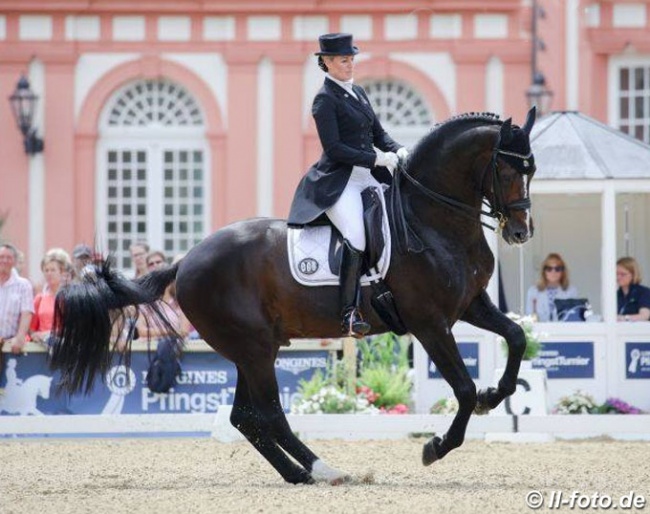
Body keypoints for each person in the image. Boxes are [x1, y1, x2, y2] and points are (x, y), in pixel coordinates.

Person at [287, 32, 407, 338]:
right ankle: (349, 313)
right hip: (340, 182)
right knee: (356, 235)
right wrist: (377, 160)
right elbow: (336, 149)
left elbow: (380, 134)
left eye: (352, 58)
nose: (350, 64)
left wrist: (399, 150)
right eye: (343, 59)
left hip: (368, 176)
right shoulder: (324, 100)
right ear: (326, 62)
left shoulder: (359, 93)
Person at [29, 248, 72, 346]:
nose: (49, 273)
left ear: (61, 272)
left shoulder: (71, 297)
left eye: (53, 270)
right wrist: (36, 335)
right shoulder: (39, 299)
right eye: (46, 270)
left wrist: (51, 334)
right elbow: (31, 329)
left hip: (65, 347)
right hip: (41, 348)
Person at [0, 243, 34, 356]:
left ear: (14, 261)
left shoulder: (23, 285)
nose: (4, 260)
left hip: (10, 345)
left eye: (8, 257)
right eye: (1, 257)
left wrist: (20, 338)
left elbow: (27, 313)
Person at [526, 253, 579, 322]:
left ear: (562, 272)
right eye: (549, 268)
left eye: (557, 269)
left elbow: (572, 317)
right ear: (544, 271)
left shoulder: (571, 291)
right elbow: (529, 316)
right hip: (540, 331)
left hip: (563, 331)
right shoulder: (533, 291)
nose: (553, 272)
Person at [616, 256, 650, 322]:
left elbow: (644, 316)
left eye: (623, 274)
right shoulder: (617, 294)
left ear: (633, 275)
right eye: (616, 274)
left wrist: (624, 318)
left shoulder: (643, 292)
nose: (618, 277)